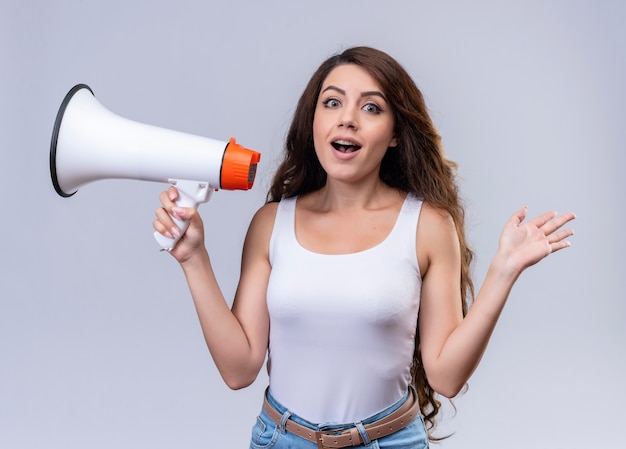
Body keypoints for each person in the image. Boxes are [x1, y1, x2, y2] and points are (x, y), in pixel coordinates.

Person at [153, 46, 575, 448]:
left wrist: (505, 270)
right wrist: (193, 258)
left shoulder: (427, 226)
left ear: (394, 134)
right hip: (280, 441)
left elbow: (445, 377)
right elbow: (238, 367)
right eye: (332, 103)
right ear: (313, 120)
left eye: (371, 108)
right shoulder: (271, 224)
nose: (347, 119)